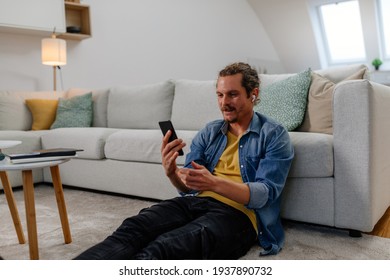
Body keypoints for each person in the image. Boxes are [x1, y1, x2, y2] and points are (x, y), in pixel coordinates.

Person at [74, 62, 294, 260]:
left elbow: (264, 194)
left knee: (165, 248)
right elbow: (188, 188)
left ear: (253, 94)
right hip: (195, 202)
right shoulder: (210, 132)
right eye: (219, 95)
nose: (224, 103)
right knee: (133, 228)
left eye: (233, 94)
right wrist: (171, 172)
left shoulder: (273, 134)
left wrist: (214, 183)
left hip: (239, 215)